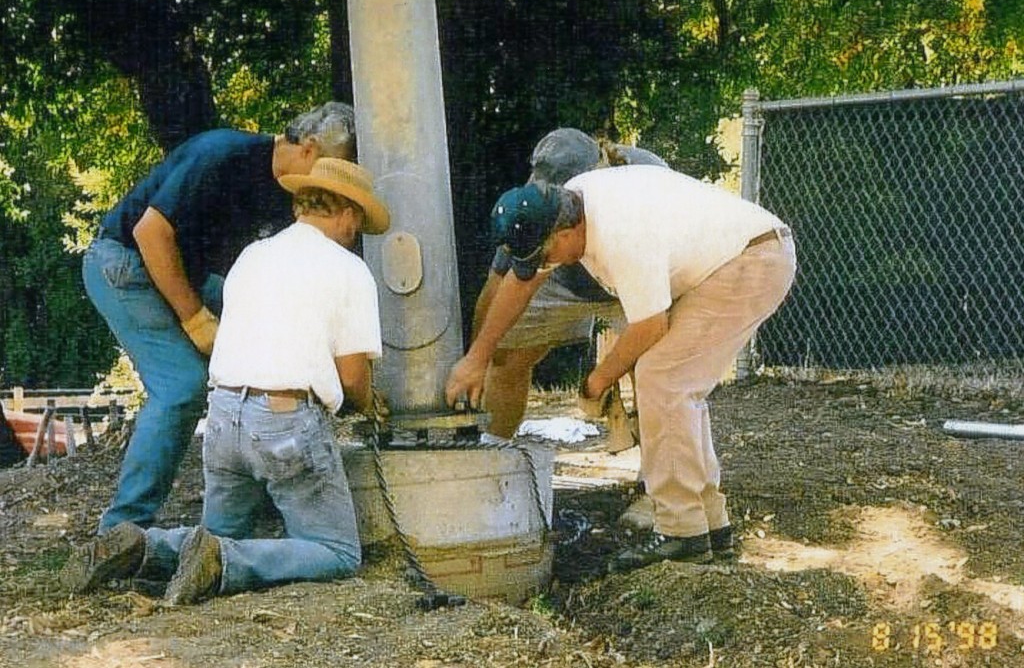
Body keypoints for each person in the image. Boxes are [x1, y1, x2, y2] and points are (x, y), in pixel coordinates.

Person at [62, 157, 390, 604]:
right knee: (336, 552)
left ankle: (146, 546)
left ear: (302, 206)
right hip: (286, 421)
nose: (356, 233)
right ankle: (229, 561)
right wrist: (370, 404)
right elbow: (353, 377)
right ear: (349, 212)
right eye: (359, 222)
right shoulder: (349, 270)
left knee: (216, 537)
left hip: (224, 415)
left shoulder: (253, 257)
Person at [445, 167, 796, 572]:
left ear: (563, 234)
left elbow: (649, 325)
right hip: (740, 255)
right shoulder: (563, 209)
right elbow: (520, 285)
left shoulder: (620, 233)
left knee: (664, 379)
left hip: (752, 259)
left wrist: (597, 381)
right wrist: (477, 358)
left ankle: (682, 532)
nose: (546, 267)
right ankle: (709, 524)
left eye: (545, 255)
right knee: (674, 384)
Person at [83, 102, 358, 535]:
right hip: (126, 263)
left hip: (188, 272)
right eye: (335, 171)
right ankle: (122, 530)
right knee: (182, 387)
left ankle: (276, 484)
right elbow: (149, 233)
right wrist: (195, 319)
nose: (337, 189)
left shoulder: (289, 193)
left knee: (278, 347)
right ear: (308, 150)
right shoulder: (221, 154)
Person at [470, 128, 668, 440]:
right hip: (559, 279)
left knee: (653, 366)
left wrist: (601, 378)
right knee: (507, 355)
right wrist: (475, 360)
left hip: (634, 278)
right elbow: (498, 284)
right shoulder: (534, 203)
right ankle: (495, 456)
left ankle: (658, 470)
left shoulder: (646, 177)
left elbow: (656, 309)